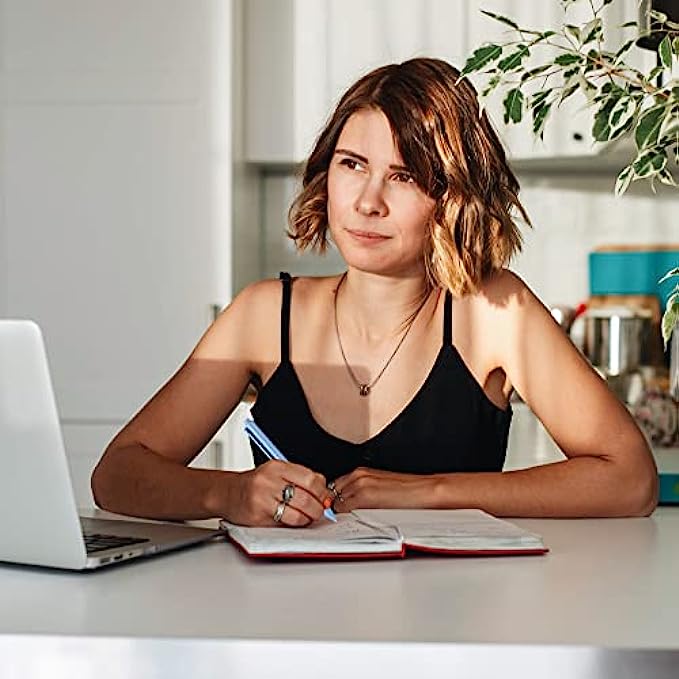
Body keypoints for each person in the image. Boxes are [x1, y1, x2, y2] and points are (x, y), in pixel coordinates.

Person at [91, 58, 658, 527]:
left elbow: (630, 479)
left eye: (404, 176)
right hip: (288, 620)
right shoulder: (263, 314)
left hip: (453, 622)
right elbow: (116, 474)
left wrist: (431, 492)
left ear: (453, 196)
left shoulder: (491, 311)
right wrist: (231, 493)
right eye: (352, 164)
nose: (367, 202)